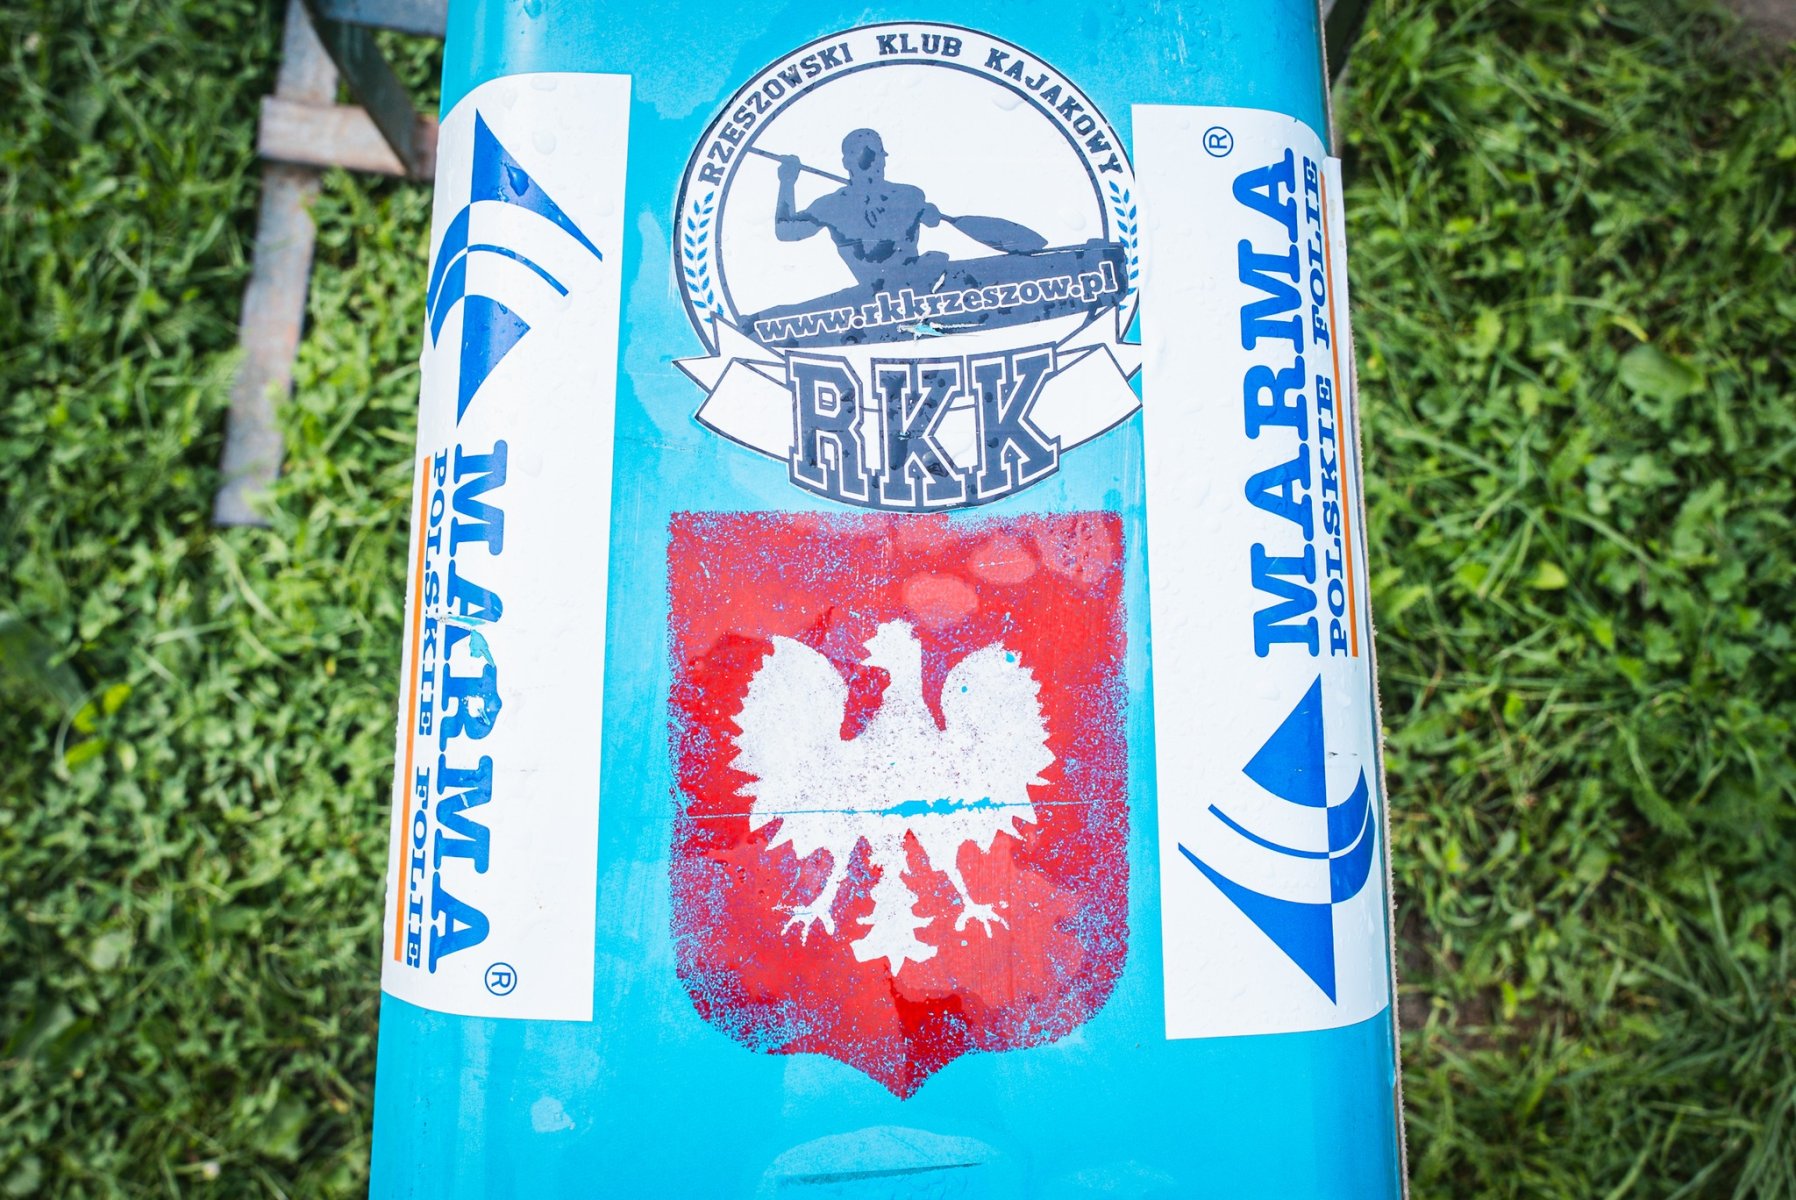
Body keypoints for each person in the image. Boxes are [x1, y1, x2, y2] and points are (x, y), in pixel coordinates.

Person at [775, 129, 950, 293]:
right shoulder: (832, 206)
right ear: (847, 163)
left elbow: (932, 220)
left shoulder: (909, 195)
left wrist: (927, 213)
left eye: (878, 156)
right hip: (872, 297)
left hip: (919, 286)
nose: (874, 163)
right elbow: (786, 231)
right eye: (866, 156)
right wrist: (787, 182)